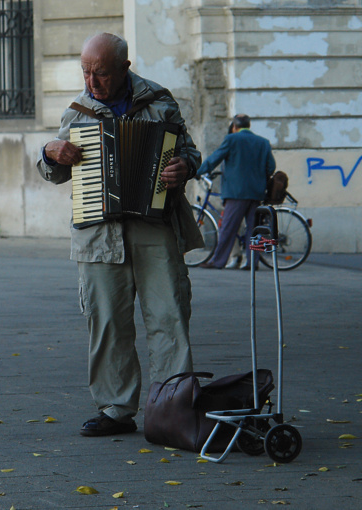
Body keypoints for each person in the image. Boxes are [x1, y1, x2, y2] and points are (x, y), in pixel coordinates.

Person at [37, 33, 203, 437]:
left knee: (169, 317)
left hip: (156, 227)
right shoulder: (78, 111)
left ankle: (173, 407)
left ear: (125, 69)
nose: (92, 83)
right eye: (86, 72)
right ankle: (115, 409)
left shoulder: (160, 101)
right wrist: (49, 151)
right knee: (107, 321)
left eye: (102, 74)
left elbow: (191, 153)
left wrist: (185, 166)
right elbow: (54, 171)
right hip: (98, 233)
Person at [197, 114, 275, 269]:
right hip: (257, 193)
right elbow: (271, 167)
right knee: (255, 229)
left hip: (236, 193)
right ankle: (253, 263)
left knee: (228, 228)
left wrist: (198, 171)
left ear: (234, 126)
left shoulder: (231, 139)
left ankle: (218, 261)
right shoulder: (263, 142)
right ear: (249, 126)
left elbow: (215, 158)